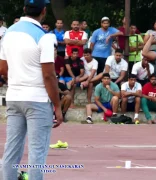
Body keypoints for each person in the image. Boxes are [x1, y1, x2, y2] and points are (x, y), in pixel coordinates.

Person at [0, 0, 63, 179]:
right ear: (44, 11)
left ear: (24, 9)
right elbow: (49, 75)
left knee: (12, 149)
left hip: (13, 96)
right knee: (37, 152)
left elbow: (2, 69)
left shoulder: (8, 33)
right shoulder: (45, 36)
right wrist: (57, 107)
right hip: (38, 99)